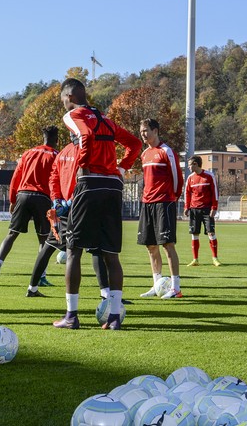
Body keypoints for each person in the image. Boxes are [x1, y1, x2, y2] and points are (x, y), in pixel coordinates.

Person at [53, 78, 140, 330]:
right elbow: (134, 144)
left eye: (63, 101)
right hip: (113, 186)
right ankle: (114, 317)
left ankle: (71, 316)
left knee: (73, 250)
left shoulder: (73, 115)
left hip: (89, 184)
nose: (64, 106)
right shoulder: (106, 119)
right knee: (111, 255)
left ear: (69, 97)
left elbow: (85, 135)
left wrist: (82, 164)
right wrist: (121, 168)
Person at [25, 132, 112, 300]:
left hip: (64, 208)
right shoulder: (86, 152)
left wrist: (57, 201)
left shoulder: (63, 152)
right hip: (81, 207)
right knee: (95, 249)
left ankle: (32, 287)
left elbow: (53, 178)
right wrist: (70, 201)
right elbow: (83, 179)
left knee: (49, 246)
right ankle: (105, 294)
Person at [0, 126, 58, 285]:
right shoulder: (56, 156)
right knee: (43, 239)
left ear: (42, 138)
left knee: (12, 234)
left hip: (23, 195)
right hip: (42, 198)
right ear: (56, 140)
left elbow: (16, 177)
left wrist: (12, 200)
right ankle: (41, 276)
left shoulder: (28, 153)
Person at [136, 118, 185, 299]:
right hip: (146, 204)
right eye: (141, 131)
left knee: (167, 245)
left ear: (156, 131)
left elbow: (177, 178)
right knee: (151, 246)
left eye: (146, 130)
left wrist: (173, 197)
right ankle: (157, 285)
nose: (143, 134)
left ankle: (176, 288)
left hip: (164, 202)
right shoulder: (144, 154)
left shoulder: (167, 151)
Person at [183, 155, 221, 267]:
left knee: (211, 233)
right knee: (194, 234)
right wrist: (186, 207)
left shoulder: (209, 176)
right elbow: (187, 193)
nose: (188, 167)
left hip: (207, 210)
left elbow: (215, 192)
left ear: (195, 164)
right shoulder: (190, 178)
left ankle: (215, 258)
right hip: (194, 210)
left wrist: (214, 207)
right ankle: (195, 259)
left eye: (189, 164)